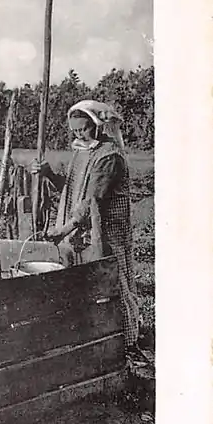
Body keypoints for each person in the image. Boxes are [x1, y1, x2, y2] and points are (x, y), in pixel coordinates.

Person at [31, 100, 141, 357]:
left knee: (112, 279)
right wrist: (48, 174)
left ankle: (125, 339)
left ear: (97, 125)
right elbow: (72, 189)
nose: (79, 134)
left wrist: (64, 229)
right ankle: (93, 333)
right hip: (81, 228)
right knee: (85, 280)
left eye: (84, 129)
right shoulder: (81, 151)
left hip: (107, 229)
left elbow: (93, 199)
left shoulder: (109, 156)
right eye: (75, 130)